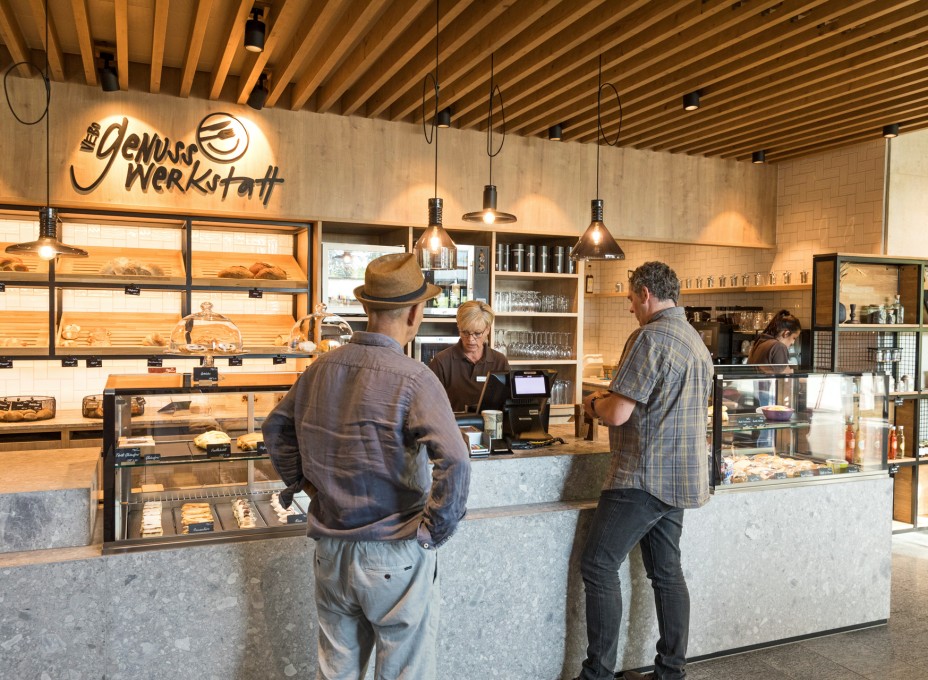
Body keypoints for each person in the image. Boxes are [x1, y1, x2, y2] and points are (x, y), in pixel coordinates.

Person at [262, 252, 471, 680]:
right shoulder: (414, 377)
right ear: (415, 312)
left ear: (365, 307)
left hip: (331, 550)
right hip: (395, 549)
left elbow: (276, 430)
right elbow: (455, 459)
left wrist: (307, 487)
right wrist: (434, 530)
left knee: (335, 669)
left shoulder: (320, 368)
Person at [573, 261, 713, 680]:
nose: (632, 307)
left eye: (632, 299)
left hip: (642, 476)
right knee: (667, 572)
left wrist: (592, 403)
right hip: (680, 478)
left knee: (598, 565)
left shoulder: (649, 338)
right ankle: (671, 671)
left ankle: (596, 674)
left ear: (647, 294)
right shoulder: (695, 341)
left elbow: (616, 413)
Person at [428, 299, 510, 412]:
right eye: (465, 332)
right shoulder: (442, 361)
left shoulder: (499, 361)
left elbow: (508, 404)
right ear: (459, 327)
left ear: (487, 330)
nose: (471, 339)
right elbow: (429, 405)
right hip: (454, 427)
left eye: (477, 333)